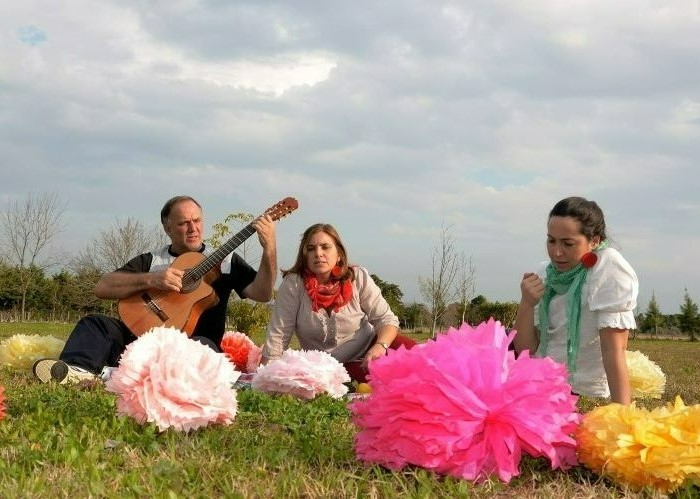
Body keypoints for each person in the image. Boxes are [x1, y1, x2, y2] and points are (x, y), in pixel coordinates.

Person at [33, 195, 277, 384]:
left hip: (192, 348)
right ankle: (77, 372)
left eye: (197, 220)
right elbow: (103, 286)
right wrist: (153, 280)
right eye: (183, 223)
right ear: (168, 228)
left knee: (203, 347)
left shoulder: (226, 261)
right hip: (137, 341)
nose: (193, 228)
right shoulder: (151, 261)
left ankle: (129, 376)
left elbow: (263, 294)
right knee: (95, 323)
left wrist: (269, 250)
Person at [513, 196, 638, 404]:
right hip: (540, 381)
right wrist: (526, 304)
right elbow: (525, 350)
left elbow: (614, 349)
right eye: (551, 241)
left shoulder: (606, 269)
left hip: (579, 383)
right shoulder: (545, 273)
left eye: (568, 243)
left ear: (595, 240)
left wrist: (622, 416)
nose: (557, 252)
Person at [261, 223, 415, 382]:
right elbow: (278, 335)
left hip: (371, 349)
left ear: (339, 254)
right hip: (326, 368)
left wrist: (381, 345)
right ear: (304, 256)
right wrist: (264, 378)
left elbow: (386, 319)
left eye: (325, 247)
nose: (318, 253)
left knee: (417, 359)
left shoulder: (357, 277)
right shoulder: (293, 284)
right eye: (311, 248)